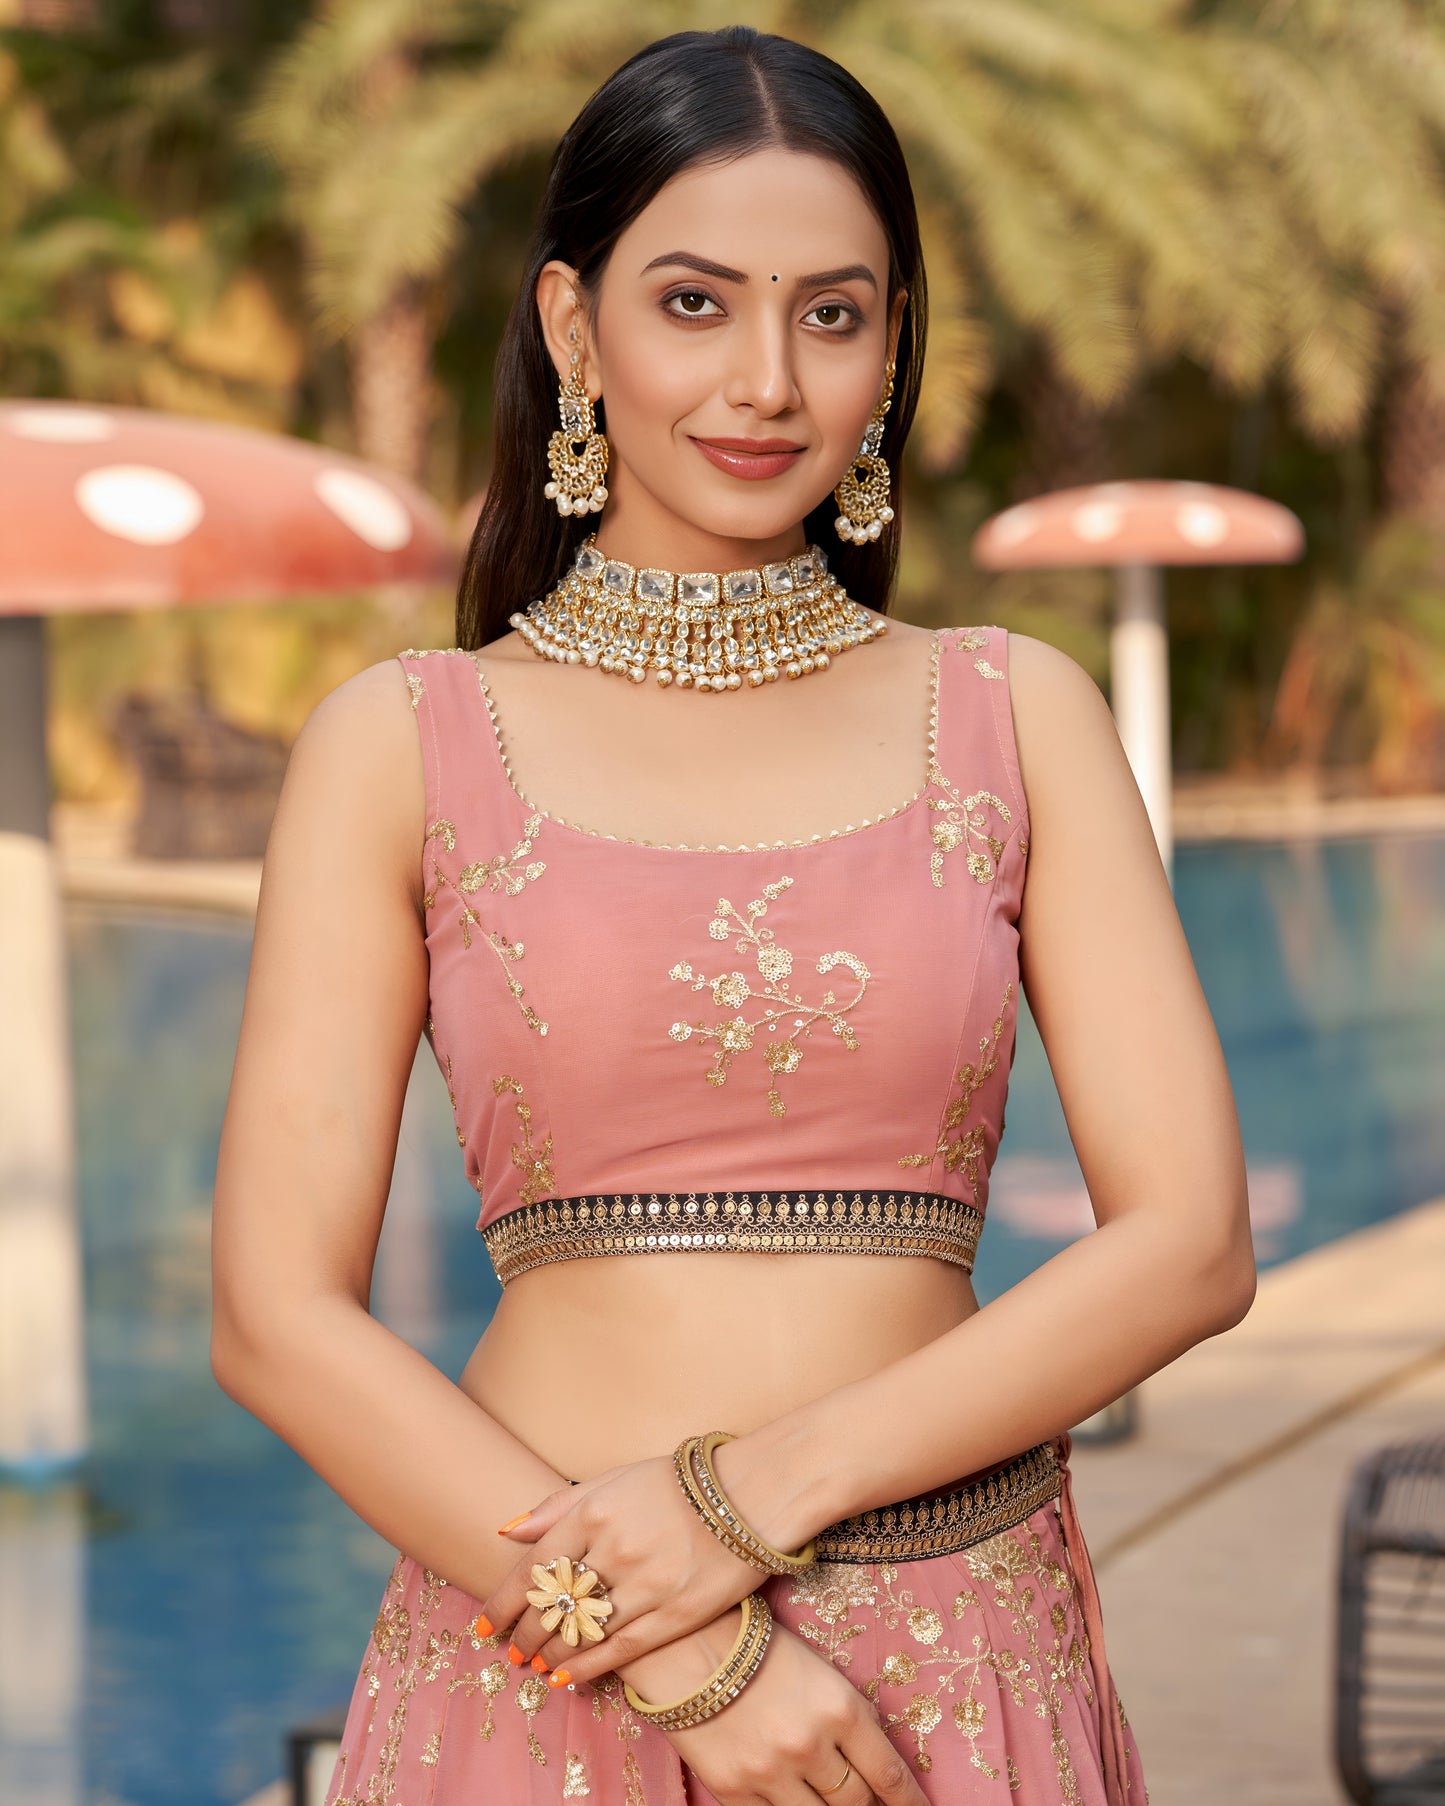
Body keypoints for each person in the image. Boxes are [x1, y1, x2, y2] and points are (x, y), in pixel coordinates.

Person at [211, 24, 1254, 1806]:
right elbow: (273, 1313)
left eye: (830, 313)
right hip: (558, 1663)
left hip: (951, 1657)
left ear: (892, 342)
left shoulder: (1016, 718)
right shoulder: (406, 746)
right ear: (570, 329)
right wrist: (684, 1643)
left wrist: (740, 1506)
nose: (766, 379)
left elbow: (1189, 1244)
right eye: (693, 303)